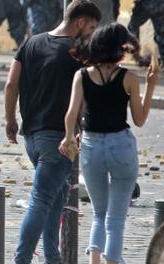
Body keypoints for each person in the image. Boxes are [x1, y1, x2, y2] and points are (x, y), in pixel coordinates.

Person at [4, 0, 102, 264]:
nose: (92, 34)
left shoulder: (31, 42)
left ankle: (53, 258)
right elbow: (88, 97)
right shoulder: (78, 53)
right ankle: (21, 259)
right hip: (59, 139)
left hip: (32, 138)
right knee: (41, 200)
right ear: (80, 22)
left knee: (55, 198)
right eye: (92, 28)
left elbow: (11, 84)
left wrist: (10, 121)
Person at [59, 23, 159, 264]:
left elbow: (71, 113)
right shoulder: (129, 78)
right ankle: (112, 261)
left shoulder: (82, 76)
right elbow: (139, 119)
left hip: (92, 147)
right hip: (120, 147)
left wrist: (69, 136)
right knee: (115, 218)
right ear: (119, 49)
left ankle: (95, 261)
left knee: (98, 213)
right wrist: (151, 85)